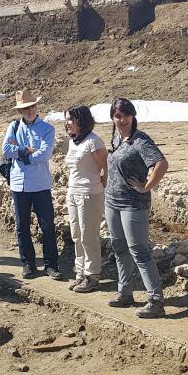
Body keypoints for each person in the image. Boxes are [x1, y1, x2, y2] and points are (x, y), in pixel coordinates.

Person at [105, 97, 169, 318]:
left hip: (133, 204)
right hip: (112, 202)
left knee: (139, 251)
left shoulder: (140, 140)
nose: (121, 120)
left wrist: (146, 187)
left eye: (124, 115)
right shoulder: (115, 138)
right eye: (117, 116)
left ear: (132, 116)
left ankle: (156, 300)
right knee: (120, 248)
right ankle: (125, 292)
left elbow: (161, 163)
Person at [2, 89, 61, 280]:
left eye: (32, 106)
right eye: (25, 108)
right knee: (22, 226)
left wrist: (21, 156)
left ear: (36, 106)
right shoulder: (13, 127)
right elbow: (6, 150)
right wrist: (26, 150)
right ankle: (28, 264)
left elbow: (44, 154)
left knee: (47, 226)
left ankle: (51, 265)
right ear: (20, 111)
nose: (29, 111)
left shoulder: (47, 129)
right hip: (19, 184)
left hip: (40, 184)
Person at [64, 105, 107, 293]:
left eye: (71, 120)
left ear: (81, 121)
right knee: (77, 235)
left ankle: (92, 276)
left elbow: (105, 168)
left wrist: (100, 188)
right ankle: (80, 273)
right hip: (73, 192)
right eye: (66, 119)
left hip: (89, 193)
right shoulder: (73, 141)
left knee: (89, 236)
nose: (67, 123)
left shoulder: (94, 142)